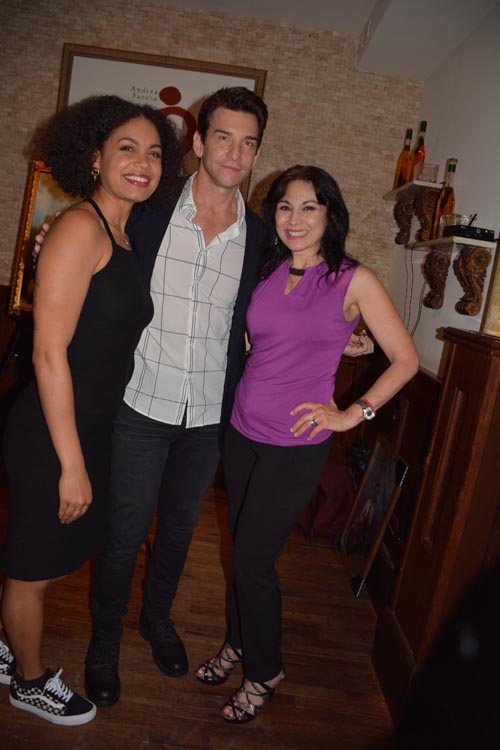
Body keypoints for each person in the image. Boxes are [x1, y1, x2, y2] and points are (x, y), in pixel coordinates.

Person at [31, 89, 373, 709]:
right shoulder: (150, 213)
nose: (234, 153)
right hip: (140, 403)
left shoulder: (265, 241)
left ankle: (155, 620)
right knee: (123, 531)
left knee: (181, 531)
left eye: (248, 142)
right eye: (223, 137)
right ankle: (103, 644)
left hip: (212, 415)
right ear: (198, 141)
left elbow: (293, 308)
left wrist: (344, 340)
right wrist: (49, 239)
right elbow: (90, 241)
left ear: (258, 150)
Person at [195, 165, 419, 724]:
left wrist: (352, 414)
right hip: (243, 430)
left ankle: (266, 670)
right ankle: (239, 643)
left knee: (251, 559)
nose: (295, 219)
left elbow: (406, 360)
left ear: (329, 215)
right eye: (285, 207)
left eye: (309, 207)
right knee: (240, 549)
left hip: (296, 443)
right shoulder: (266, 268)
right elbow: (259, 339)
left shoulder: (353, 278)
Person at [0, 94, 182, 725]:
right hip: (55, 432)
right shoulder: (80, 227)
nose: (143, 163)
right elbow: (48, 355)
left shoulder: (125, 236)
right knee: (31, 567)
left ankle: (6, 650)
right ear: (95, 155)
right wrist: (70, 463)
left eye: (155, 153)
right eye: (127, 148)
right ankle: (27, 679)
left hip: (92, 428)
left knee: (49, 558)